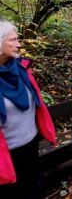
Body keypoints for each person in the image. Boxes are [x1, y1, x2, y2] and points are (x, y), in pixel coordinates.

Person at [0, 20, 56, 198]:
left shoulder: (21, 68)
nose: (18, 44)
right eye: (13, 40)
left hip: (31, 144)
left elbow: (37, 103)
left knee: (34, 189)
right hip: (6, 155)